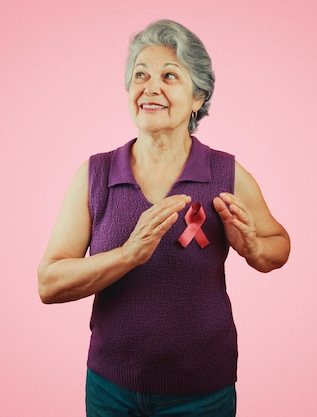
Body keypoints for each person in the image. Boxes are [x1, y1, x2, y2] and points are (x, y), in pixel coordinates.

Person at [38, 19, 290, 417]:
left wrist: (254, 248)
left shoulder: (226, 173)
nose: (150, 87)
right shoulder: (95, 174)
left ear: (197, 97)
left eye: (169, 75)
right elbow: (49, 283)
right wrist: (128, 255)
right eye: (140, 75)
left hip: (203, 394)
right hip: (111, 390)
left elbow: (279, 245)